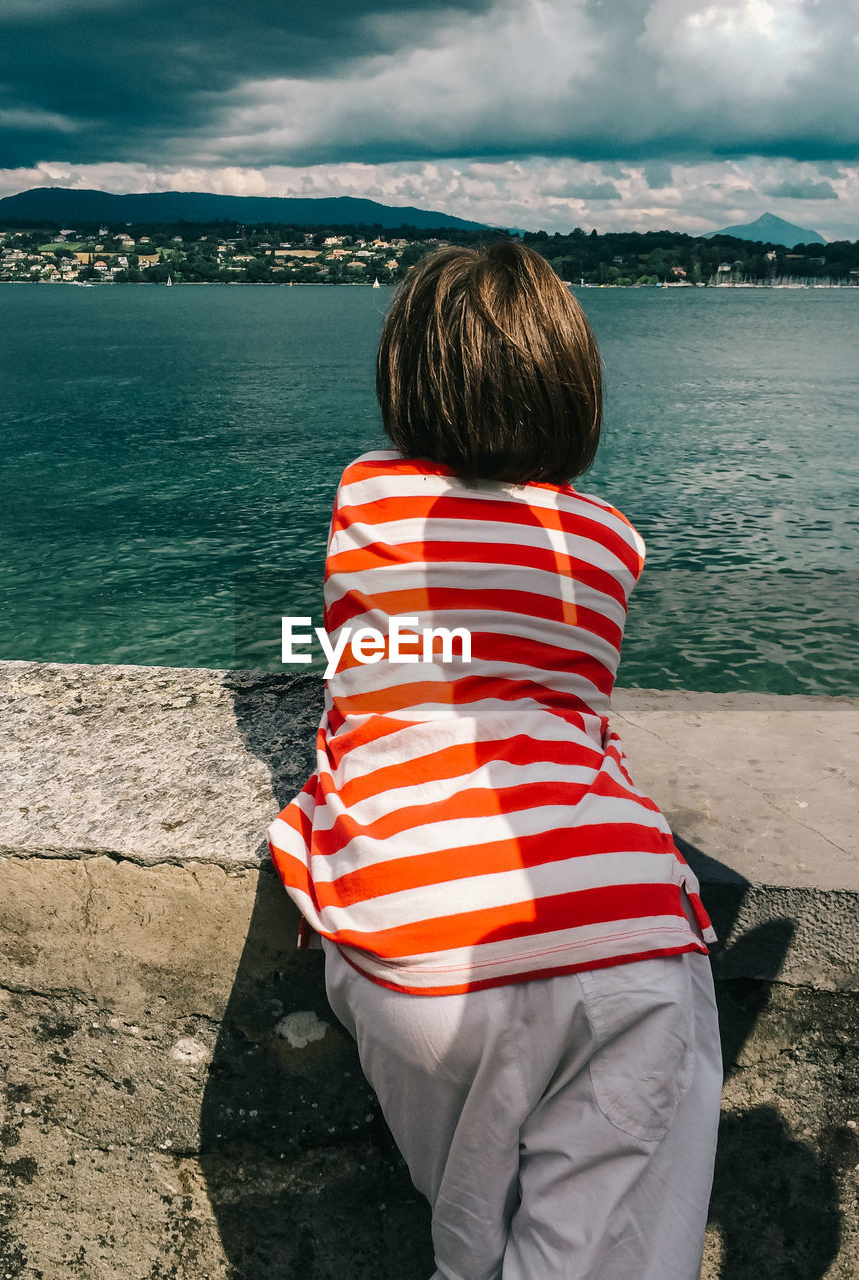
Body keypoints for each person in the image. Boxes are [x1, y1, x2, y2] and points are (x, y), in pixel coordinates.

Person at [267, 240, 722, 1280]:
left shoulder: (366, 499)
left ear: (407, 381)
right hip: (619, 942)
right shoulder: (609, 543)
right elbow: (564, 694)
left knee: (473, 1250)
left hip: (409, 946)